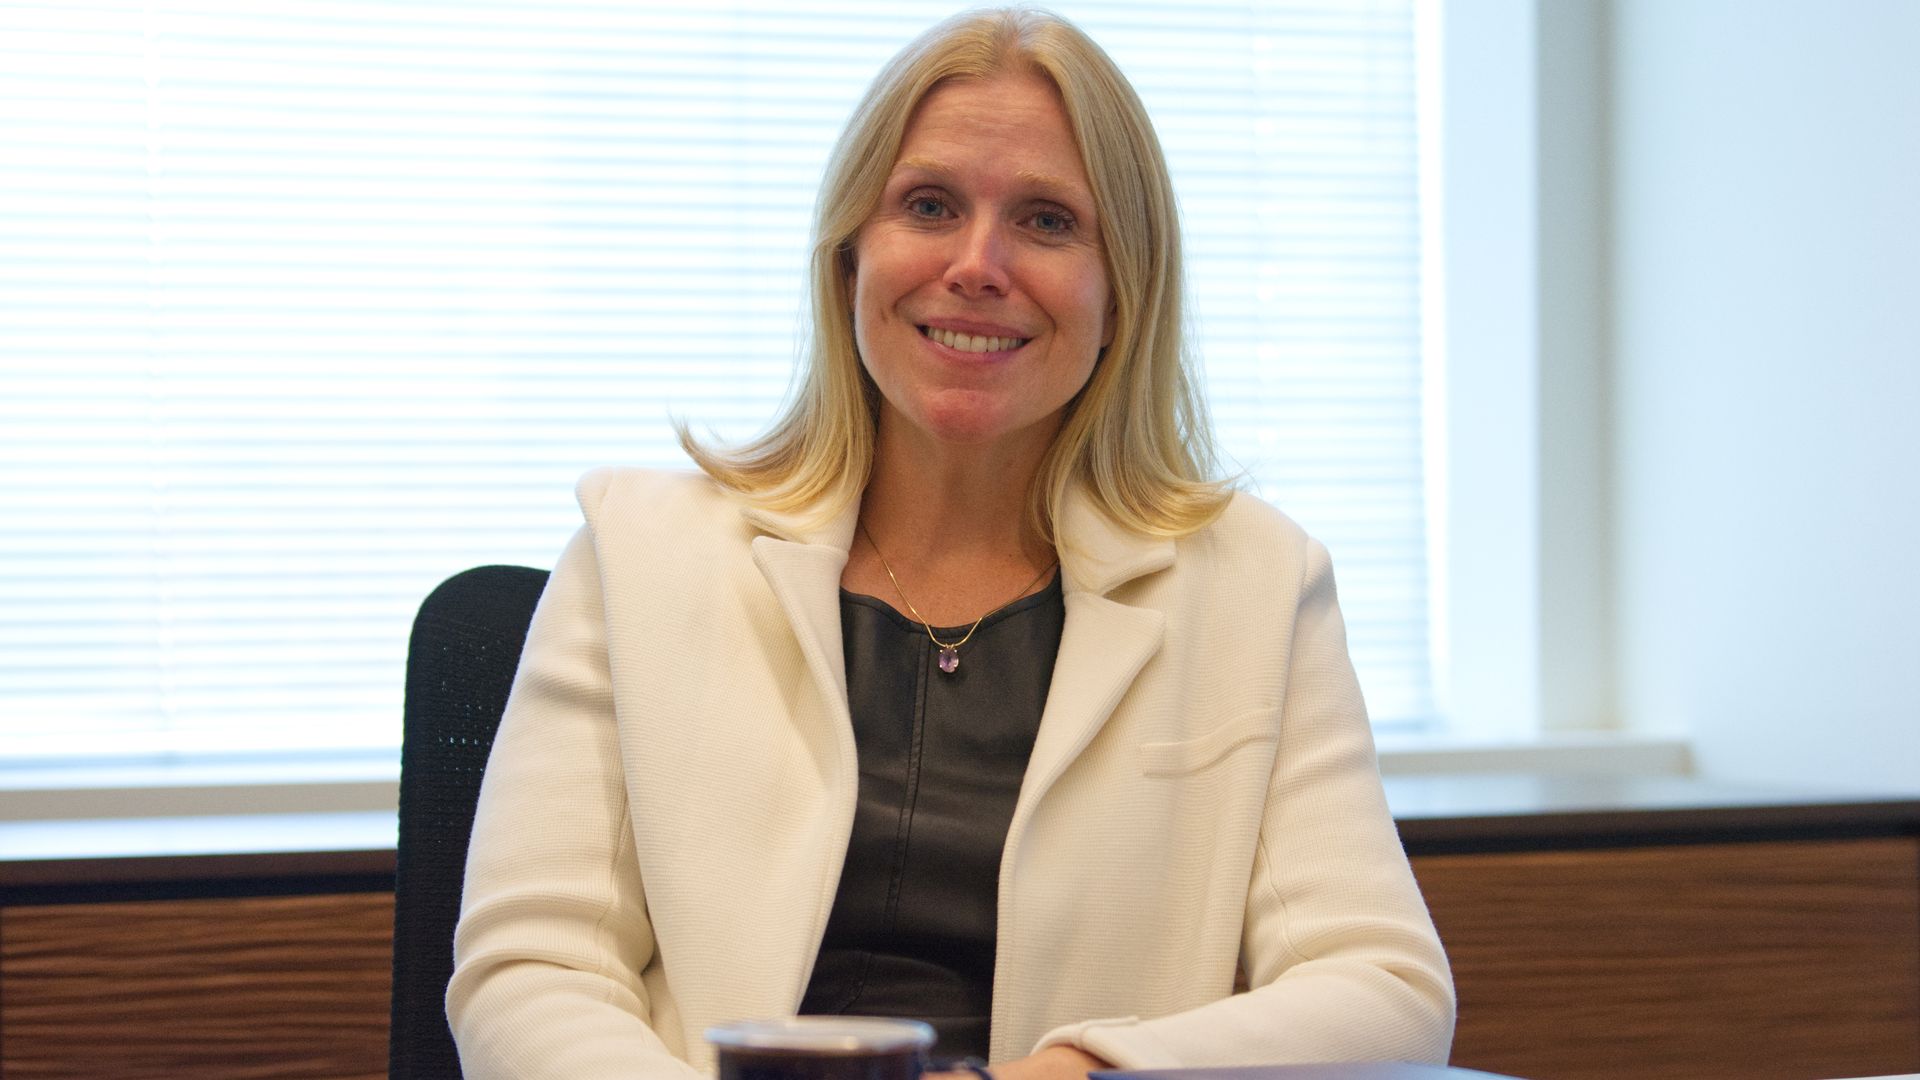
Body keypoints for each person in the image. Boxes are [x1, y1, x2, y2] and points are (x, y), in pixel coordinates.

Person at [446, 9, 1454, 1080]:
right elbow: (534, 969)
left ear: (1123, 295)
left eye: (1048, 221)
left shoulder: (1257, 586)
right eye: (929, 206)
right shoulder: (639, 554)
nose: (978, 265)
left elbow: (1384, 995)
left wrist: (1067, 1077)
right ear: (848, 260)